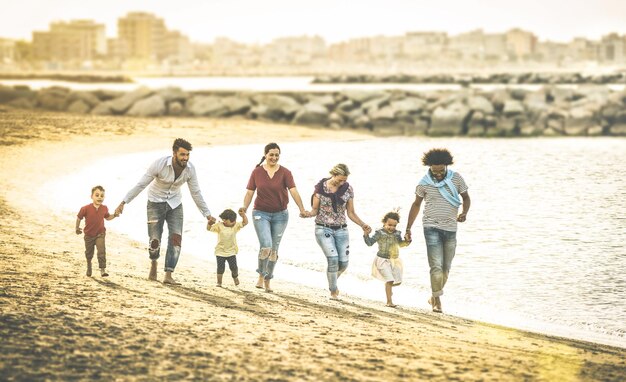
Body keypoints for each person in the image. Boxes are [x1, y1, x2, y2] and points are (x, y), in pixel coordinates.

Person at [115, 138, 216, 285]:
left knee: (176, 238)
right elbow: (141, 184)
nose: (185, 158)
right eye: (182, 154)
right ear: (174, 153)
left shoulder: (190, 169)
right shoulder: (159, 164)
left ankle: (168, 274)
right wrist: (124, 202)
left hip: (175, 204)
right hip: (155, 202)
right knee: (155, 239)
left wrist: (207, 214)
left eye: (187, 155)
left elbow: (196, 193)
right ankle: (154, 262)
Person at [405, 148, 471, 313]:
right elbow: (416, 204)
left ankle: (433, 296)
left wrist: (464, 212)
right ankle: (438, 301)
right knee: (435, 266)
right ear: (429, 168)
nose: (438, 174)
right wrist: (408, 228)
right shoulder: (424, 182)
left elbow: (466, 198)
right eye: (435, 171)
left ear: (447, 166)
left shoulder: (456, 178)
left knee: (446, 268)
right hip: (431, 227)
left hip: (450, 228)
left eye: (441, 170)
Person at [241, 142, 307, 293]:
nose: (274, 157)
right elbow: (250, 192)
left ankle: (268, 279)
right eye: (271, 154)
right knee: (266, 245)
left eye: (277, 155)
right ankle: (260, 275)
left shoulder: (285, 172)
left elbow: (294, 191)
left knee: (274, 250)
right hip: (260, 213)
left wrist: (302, 209)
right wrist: (244, 208)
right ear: (265, 155)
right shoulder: (256, 172)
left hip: (281, 215)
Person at [306, 163, 371, 300]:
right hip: (323, 228)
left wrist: (362, 224)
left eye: (344, 180)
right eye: (340, 179)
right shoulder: (320, 188)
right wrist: (308, 214)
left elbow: (351, 213)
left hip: (342, 229)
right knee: (333, 259)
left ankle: (332, 279)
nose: (342, 182)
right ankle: (333, 291)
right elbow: (314, 210)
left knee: (344, 263)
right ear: (333, 175)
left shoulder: (348, 189)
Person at [364, 210, 410, 307]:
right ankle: (389, 301)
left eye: (394, 226)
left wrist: (407, 240)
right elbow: (369, 243)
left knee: (397, 281)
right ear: (384, 223)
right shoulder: (379, 233)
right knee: (389, 280)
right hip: (382, 260)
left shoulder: (397, 234)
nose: (392, 227)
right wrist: (366, 234)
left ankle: (388, 290)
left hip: (394, 260)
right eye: (389, 225)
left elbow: (401, 245)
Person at [75, 185, 118, 277]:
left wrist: (115, 215)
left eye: (102, 196)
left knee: (101, 250)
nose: (99, 197)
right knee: (89, 253)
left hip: (100, 233)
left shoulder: (104, 208)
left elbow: (107, 217)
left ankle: (102, 270)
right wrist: (77, 228)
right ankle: (89, 265)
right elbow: (79, 217)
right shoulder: (85, 208)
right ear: (92, 196)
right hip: (89, 235)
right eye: (97, 195)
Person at [207, 208, 248, 287]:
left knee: (234, 267)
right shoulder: (219, 226)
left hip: (231, 251)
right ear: (224, 220)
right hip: (220, 252)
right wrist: (209, 223)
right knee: (220, 268)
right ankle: (219, 282)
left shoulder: (235, 225)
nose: (234, 222)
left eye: (234, 221)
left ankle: (235, 277)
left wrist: (243, 215)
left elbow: (245, 222)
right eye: (231, 221)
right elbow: (209, 229)